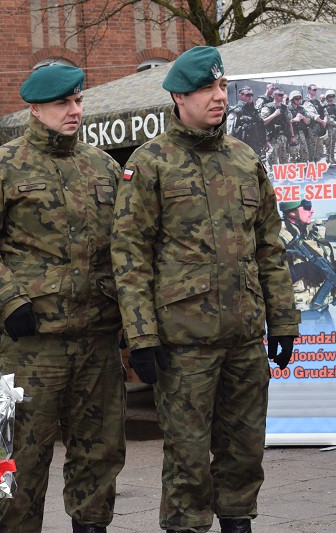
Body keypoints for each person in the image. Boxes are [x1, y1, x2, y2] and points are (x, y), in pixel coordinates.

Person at [111, 46, 300, 533]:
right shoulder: (150, 163)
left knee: (243, 454)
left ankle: (239, 524)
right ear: (179, 96)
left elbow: (270, 247)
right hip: (184, 344)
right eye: (206, 89)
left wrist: (283, 321)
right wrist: (142, 338)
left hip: (243, 338)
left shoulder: (244, 159)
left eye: (221, 87)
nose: (219, 97)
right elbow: (131, 258)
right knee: (188, 462)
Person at [0, 64, 126, 533]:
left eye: (78, 101)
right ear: (35, 108)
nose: (74, 111)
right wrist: (10, 300)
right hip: (35, 341)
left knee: (100, 451)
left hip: (98, 336)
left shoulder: (103, 165)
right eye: (62, 104)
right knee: (25, 459)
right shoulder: (3, 166)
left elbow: (127, 246)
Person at [279, 199, 336, 329]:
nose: (312, 210)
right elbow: (269, 279)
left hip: (322, 312)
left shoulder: (306, 235)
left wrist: (333, 266)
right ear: (293, 212)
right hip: (298, 316)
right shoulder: (278, 237)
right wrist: (302, 270)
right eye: (307, 206)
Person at [229, 86, 267, 160]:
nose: (250, 97)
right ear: (240, 96)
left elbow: (262, 126)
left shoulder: (255, 111)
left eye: (251, 95)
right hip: (242, 148)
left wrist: (265, 141)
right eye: (248, 95)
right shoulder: (236, 112)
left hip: (256, 148)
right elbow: (230, 132)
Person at [262, 87, 294, 166]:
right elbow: (262, 123)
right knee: (272, 162)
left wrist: (292, 136)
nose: (282, 96)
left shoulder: (285, 108)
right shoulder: (268, 107)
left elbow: (289, 122)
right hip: (272, 138)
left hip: (283, 138)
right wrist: (274, 115)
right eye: (280, 95)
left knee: (285, 162)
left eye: (282, 95)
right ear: (274, 96)